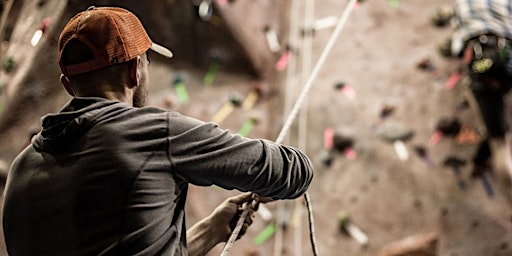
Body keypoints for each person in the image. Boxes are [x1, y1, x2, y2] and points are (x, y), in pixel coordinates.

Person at [1, 6, 313, 256]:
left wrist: (210, 232)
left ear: (67, 85)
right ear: (135, 70)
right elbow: (290, 171)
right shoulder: (152, 133)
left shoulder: (22, 170)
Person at [444, 0, 512, 184]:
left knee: (499, 143)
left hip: (481, 63)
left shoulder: (463, 4)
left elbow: (456, 48)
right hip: (507, 55)